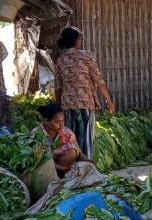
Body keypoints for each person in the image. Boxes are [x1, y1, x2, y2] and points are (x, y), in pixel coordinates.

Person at [55, 27, 115, 160]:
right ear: (77, 40)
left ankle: (72, 170)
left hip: (67, 106)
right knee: (85, 140)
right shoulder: (86, 56)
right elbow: (99, 81)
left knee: (70, 140)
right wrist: (109, 101)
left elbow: (58, 88)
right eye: (80, 38)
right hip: (84, 104)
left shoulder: (60, 60)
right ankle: (85, 170)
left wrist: (59, 108)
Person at [33, 103, 93, 177]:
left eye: (63, 121)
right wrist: (65, 169)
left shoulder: (66, 132)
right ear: (47, 120)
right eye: (57, 122)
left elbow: (79, 153)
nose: (61, 125)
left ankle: (61, 176)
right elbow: (40, 160)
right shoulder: (36, 134)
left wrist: (89, 162)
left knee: (72, 151)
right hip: (44, 166)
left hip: (61, 165)